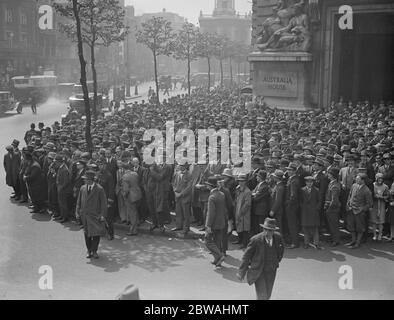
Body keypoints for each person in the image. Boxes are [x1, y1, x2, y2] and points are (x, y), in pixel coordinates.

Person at [237, 218, 284, 300]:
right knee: (262, 296)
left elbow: (281, 250)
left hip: (271, 270)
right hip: (258, 271)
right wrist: (241, 272)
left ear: (273, 231)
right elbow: (246, 256)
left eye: (269, 230)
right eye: (265, 229)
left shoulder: (278, 238)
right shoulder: (255, 240)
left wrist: (276, 261)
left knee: (268, 294)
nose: (266, 232)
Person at [76, 170, 108, 259]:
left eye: (86, 179)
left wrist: (102, 215)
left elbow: (104, 204)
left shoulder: (99, 189)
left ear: (91, 180)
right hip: (85, 216)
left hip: (95, 216)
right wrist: (77, 212)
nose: (84, 180)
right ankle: (88, 250)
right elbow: (78, 201)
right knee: (87, 234)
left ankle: (94, 251)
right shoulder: (82, 188)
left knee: (96, 234)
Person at [205, 176, 227, 267]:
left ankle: (219, 256)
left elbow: (211, 213)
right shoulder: (222, 194)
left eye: (207, 185)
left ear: (210, 186)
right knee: (217, 241)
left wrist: (208, 226)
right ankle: (217, 259)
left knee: (208, 241)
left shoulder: (212, 197)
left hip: (213, 223)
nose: (206, 186)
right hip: (221, 222)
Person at [346, 173, 373, 249]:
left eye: (358, 179)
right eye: (356, 178)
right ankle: (353, 241)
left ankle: (357, 243)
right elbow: (350, 195)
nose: (356, 180)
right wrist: (348, 204)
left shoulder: (367, 190)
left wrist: (362, 209)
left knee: (359, 228)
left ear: (363, 180)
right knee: (351, 227)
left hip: (359, 212)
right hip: (351, 209)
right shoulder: (354, 185)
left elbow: (369, 204)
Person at [300, 176, 321, 249]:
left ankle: (316, 243)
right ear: (305, 182)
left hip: (314, 212)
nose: (309, 183)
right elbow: (300, 200)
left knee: (315, 229)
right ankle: (306, 243)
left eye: (311, 182)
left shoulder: (316, 190)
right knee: (305, 228)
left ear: (313, 183)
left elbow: (319, 201)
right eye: (308, 182)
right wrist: (302, 207)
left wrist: (316, 209)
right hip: (305, 212)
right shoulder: (302, 190)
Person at [172, 163, 192, 235]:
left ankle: (186, 228)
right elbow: (173, 183)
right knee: (178, 212)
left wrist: (181, 194)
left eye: (182, 165)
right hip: (177, 196)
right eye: (180, 165)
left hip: (185, 197)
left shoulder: (189, 175)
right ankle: (178, 226)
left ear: (185, 166)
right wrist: (175, 192)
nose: (180, 167)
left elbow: (189, 187)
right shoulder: (177, 173)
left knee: (186, 213)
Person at [324, 167, 342, 247]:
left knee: (334, 225)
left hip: (332, 208)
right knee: (331, 224)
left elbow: (334, 200)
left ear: (332, 175)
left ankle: (336, 240)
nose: (327, 175)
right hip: (330, 207)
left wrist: (329, 209)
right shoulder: (332, 183)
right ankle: (333, 238)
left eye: (329, 173)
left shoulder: (334, 185)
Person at [234, 174, 252, 249]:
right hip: (238, 209)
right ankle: (240, 240)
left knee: (245, 228)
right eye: (239, 181)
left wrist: (242, 212)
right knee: (238, 226)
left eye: (242, 181)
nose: (241, 182)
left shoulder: (247, 191)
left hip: (244, 212)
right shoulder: (238, 188)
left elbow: (248, 204)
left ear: (245, 182)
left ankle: (245, 243)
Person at [370, 173, 389, 241]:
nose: (380, 180)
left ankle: (380, 234)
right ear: (376, 179)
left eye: (381, 178)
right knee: (374, 221)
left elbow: (387, 196)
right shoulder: (373, 185)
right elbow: (370, 194)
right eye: (379, 178)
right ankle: (374, 234)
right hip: (374, 204)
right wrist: (374, 196)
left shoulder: (385, 186)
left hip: (382, 204)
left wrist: (381, 197)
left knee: (381, 221)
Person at [55, 154, 72, 223]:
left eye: (56, 161)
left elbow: (66, 181)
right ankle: (62, 215)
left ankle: (65, 217)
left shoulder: (64, 169)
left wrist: (60, 188)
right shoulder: (61, 167)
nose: (55, 163)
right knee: (60, 203)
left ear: (60, 162)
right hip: (60, 188)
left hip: (63, 190)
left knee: (63, 204)